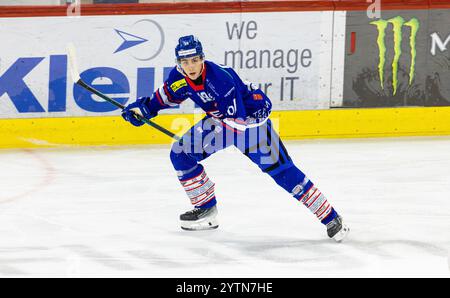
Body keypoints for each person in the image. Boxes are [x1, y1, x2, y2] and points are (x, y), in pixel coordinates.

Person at [121, 35, 350, 241]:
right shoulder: (178, 77)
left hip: (252, 124)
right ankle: (206, 210)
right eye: (185, 61)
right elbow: (164, 97)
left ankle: (330, 217)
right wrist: (143, 110)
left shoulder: (220, 80)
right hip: (223, 120)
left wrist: (206, 142)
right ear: (178, 63)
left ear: (202, 58)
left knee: (283, 173)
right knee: (181, 154)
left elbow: (236, 125)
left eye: (194, 60)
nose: (190, 66)